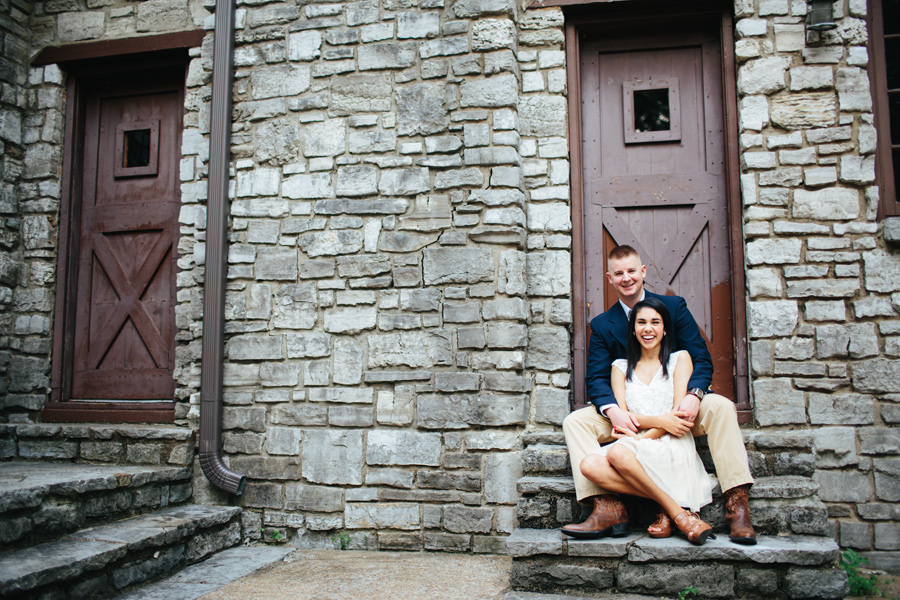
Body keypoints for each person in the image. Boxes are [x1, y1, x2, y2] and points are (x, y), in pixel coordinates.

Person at [562, 245, 756, 545]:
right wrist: (614, 411)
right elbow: (597, 377)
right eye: (618, 274)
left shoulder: (673, 307)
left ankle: (736, 504)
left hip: (678, 402)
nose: (626, 278)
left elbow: (701, 359)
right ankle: (607, 505)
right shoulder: (602, 324)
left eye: (631, 271)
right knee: (576, 422)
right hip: (629, 409)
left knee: (720, 407)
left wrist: (694, 393)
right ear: (610, 279)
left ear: (643, 272)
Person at [579, 297, 716, 544]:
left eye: (655, 322)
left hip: (670, 441)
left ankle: (672, 516)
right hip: (640, 441)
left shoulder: (679, 359)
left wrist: (644, 435)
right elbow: (624, 420)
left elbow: (677, 420)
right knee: (589, 464)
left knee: (619, 453)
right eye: (641, 322)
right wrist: (656, 424)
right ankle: (679, 512)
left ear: (665, 329)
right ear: (633, 329)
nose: (648, 328)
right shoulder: (620, 367)